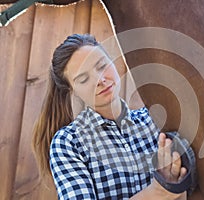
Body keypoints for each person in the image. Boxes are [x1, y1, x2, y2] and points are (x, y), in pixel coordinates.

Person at [32, 33, 188, 199]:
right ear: (73, 92)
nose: (100, 79)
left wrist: (177, 185)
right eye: (83, 79)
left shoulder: (154, 121)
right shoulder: (69, 142)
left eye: (101, 66)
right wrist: (160, 191)